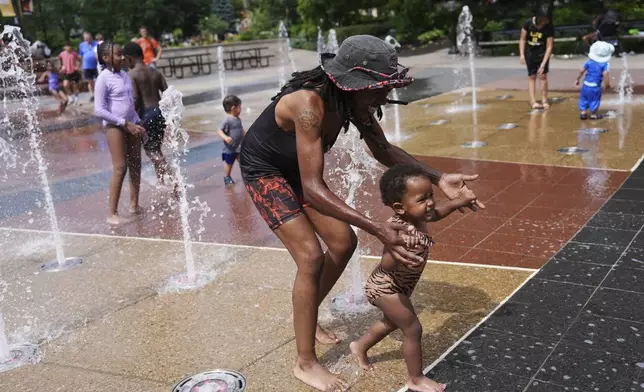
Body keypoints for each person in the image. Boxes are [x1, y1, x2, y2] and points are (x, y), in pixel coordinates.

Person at [239, 35, 483, 392]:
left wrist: (439, 177)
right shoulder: (309, 105)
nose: (384, 96)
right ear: (356, 83)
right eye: (380, 88)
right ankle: (305, 362)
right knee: (310, 257)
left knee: (342, 243)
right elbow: (312, 188)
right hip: (266, 171)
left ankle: (309, 319)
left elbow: (382, 149)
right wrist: (377, 228)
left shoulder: (354, 102)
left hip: (296, 171)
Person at [350, 164, 475, 392]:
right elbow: (387, 265)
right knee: (412, 328)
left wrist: (459, 201)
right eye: (422, 199)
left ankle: (359, 346)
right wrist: (398, 250)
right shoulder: (396, 228)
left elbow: (437, 213)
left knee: (391, 322)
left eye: (431, 195)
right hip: (385, 287)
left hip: (401, 286)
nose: (430, 203)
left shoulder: (419, 217)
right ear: (400, 208)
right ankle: (415, 379)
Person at [94, 41, 146, 225]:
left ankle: (134, 205)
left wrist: (138, 122)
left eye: (122, 53)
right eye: (118, 54)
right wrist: (124, 123)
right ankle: (112, 213)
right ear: (106, 58)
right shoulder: (103, 79)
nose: (122, 57)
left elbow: (129, 103)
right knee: (120, 167)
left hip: (131, 123)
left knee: (136, 164)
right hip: (115, 127)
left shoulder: (124, 75)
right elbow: (99, 110)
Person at [123, 42, 171, 184]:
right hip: (160, 113)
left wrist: (129, 118)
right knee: (156, 147)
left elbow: (136, 99)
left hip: (146, 114)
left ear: (129, 58)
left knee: (151, 150)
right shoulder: (155, 72)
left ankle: (175, 179)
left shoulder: (132, 74)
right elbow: (167, 93)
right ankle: (161, 180)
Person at [519, 4, 554, 110]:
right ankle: (533, 101)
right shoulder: (528, 23)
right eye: (544, 19)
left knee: (543, 76)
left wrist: (544, 63)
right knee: (532, 76)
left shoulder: (549, 26)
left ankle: (544, 100)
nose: (545, 21)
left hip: (542, 54)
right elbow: (522, 39)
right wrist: (521, 54)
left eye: (547, 19)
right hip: (530, 53)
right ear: (539, 17)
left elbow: (549, 46)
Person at [575, 41, 613, 120]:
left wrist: (577, 79)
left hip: (585, 85)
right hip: (595, 87)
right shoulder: (605, 64)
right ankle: (593, 114)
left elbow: (581, 70)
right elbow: (605, 74)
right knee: (595, 100)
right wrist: (607, 85)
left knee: (583, 98)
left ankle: (583, 113)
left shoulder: (589, 62)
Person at [217, 95, 245, 185]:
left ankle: (246, 175)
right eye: (239, 107)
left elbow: (241, 129)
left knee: (243, 161)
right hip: (230, 148)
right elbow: (219, 130)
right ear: (234, 108)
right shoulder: (227, 120)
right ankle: (227, 177)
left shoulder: (238, 119)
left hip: (238, 147)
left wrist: (246, 135)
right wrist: (225, 137)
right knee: (229, 163)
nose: (241, 109)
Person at [79, 31, 99, 102]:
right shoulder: (82, 45)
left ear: (91, 38)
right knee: (90, 81)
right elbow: (80, 56)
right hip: (86, 66)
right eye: (85, 39)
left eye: (88, 39)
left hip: (96, 66)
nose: (87, 40)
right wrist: (80, 65)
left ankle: (99, 94)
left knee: (98, 81)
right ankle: (93, 95)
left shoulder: (96, 43)